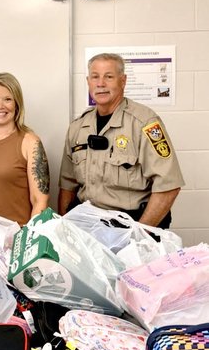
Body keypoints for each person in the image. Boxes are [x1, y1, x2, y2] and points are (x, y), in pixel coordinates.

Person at [58, 52, 184, 228]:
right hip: (87, 226)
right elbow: (67, 185)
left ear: (123, 81)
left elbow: (168, 186)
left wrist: (140, 234)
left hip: (131, 225)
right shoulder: (77, 127)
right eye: (95, 77)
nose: (100, 83)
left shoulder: (144, 123)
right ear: (88, 82)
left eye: (109, 77)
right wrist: (65, 228)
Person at [0, 72, 50, 227]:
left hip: (18, 236)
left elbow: (40, 201)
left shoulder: (30, 142)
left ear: (17, 104)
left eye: (7, 99)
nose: (0, 106)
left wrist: (26, 239)